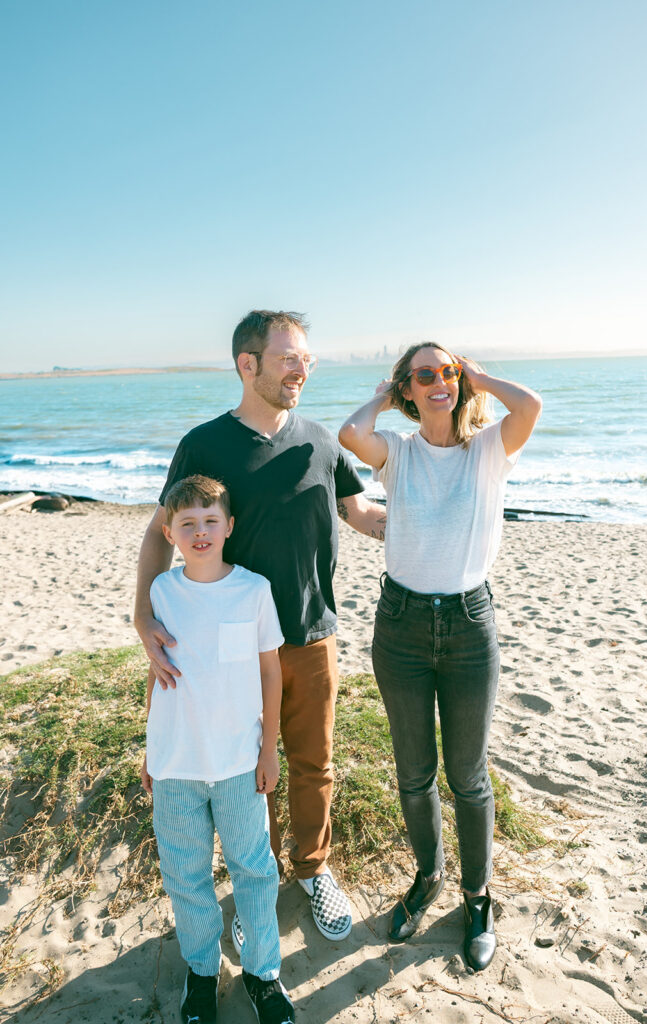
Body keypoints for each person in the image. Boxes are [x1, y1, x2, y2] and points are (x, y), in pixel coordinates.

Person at [135, 310, 386, 945]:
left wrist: (439, 515)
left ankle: (312, 868)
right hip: (233, 644)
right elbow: (160, 531)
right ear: (248, 366)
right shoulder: (205, 443)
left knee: (313, 763)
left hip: (312, 631)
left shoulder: (320, 441)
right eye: (288, 358)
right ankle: (258, 881)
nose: (302, 368)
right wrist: (143, 613)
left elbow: (361, 514)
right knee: (251, 765)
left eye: (307, 358)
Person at [339, 343, 542, 971]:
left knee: (468, 775)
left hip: (468, 624)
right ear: (409, 387)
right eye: (424, 375)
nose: (440, 383)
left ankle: (477, 898)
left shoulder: (487, 450)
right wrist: (383, 393)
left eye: (447, 372)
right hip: (399, 626)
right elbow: (351, 434)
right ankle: (428, 877)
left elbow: (531, 404)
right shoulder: (397, 453)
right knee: (413, 773)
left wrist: (479, 377)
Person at [140, 474, 294, 1024]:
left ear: (229, 526)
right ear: (170, 532)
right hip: (176, 765)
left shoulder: (253, 590)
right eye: (188, 524)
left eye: (210, 521)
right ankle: (202, 972)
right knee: (186, 876)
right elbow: (159, 675)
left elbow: (270, 671)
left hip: (237, 763)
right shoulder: (161, 593)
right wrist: (151, 748)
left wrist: (268, 749)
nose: (200, 532)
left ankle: (262, 974)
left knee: (255, 871)